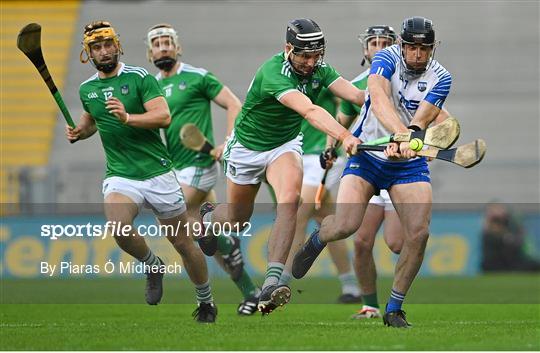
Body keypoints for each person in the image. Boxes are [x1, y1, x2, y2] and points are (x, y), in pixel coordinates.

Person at [293, 16, 453, 328]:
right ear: (403, 46)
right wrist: (400, 135)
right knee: (345, 226)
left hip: (406, 165)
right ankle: (319, 237)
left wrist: (413, 137)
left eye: (425, 48)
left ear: (433, 49)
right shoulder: (385, 59)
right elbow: (378, 100)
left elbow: (422, 119)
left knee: (418, 235)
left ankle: (394, 307)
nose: (418, 54)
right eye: (412, 47)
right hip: (368, 157)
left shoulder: (442, 78)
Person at [197, 18, 364, 315]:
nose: (311, 63)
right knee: (237, 220)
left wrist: (391, 108)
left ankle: (272, 282)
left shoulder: (320, 69)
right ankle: (210, 220)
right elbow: (310, 110)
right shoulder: (273, 72)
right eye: (304, 55)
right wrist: (344, 135)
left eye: (316, 55)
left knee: (291, 202)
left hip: (283, 146)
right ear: (288, 48)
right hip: (246, 149)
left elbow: (356, 95)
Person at [67, 21, 217, 322]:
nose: (104, 51)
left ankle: (206, 301)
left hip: (158, 173)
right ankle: (152, 264)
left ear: (117, 45)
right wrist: (80, 132)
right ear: (88, 54)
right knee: (119, 227)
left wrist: (127, 117)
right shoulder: (87, 89)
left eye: (108, 44)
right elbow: (92, 120)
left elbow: (163, 116)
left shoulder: (140, 78)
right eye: (97, 47)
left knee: (183, 243)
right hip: (121, 174)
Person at [146, 23, 261, 315]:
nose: (163, 47)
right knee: (204, 241)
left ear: (178, 47)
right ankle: (251, 293)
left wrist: (228, 142)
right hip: (174, 170)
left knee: (175, 212)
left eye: (167, 42)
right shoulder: (150, 87)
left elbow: (234, 104)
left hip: (200, 164)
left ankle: (226, 240)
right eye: (157, 44)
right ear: (149, 53)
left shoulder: (197, 77)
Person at [279, 87, 362, 304]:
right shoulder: (283, 83)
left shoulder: (322, 81)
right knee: (328, 222)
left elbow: (348, 104)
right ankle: (351, 287)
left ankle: (280, 283)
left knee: (298, 213)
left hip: (322, 156)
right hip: (296, 155)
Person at [481, 202, 540, 272]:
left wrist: (507, 237)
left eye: (498, 209)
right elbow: (489, 249)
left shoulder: (511, 224)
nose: (497, 213)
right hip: (496, 261)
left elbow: (518, 242)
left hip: (512, 260)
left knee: (533, 264)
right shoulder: (487, 229)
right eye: (493, 210)